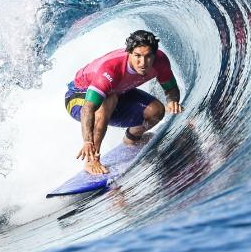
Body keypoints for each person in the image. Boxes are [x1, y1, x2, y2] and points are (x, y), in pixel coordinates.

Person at [64, 30, 184, 174]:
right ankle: (91, 160)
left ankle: (132, 139)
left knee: (156, 111)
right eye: (137, 56)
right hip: (78, 98)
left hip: (117, 92)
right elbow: (88, 109)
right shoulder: (110, 69)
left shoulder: (160, 61)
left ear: (154, 54)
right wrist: (88, 141)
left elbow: (170, 88)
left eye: (148, 57)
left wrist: (172, 101)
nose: (143, 63)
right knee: (109, 99)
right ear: (129, 53)